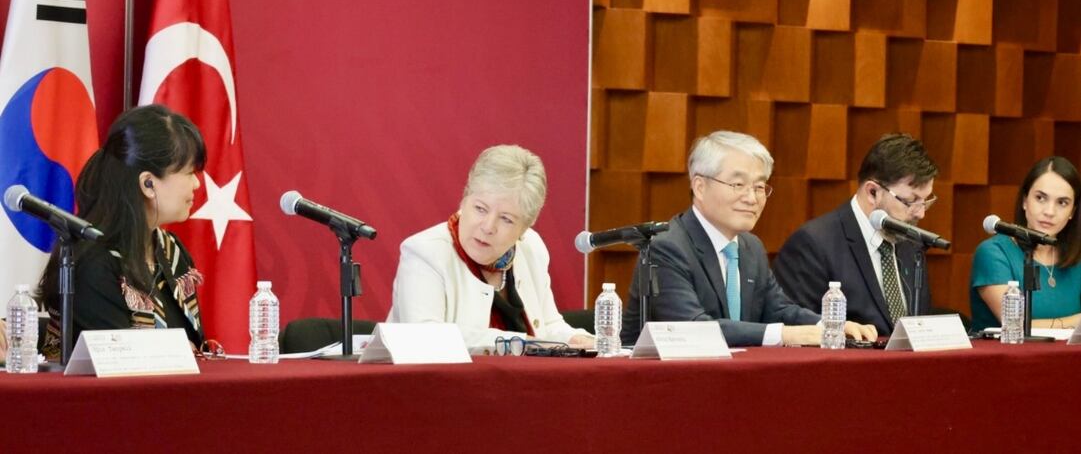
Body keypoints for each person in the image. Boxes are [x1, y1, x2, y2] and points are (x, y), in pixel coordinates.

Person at [621, 131, 878, 347]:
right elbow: (693, 328)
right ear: (700, 187)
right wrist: (784, 335)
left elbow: (778, 309)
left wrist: (830, 325)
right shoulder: (666, 247)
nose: (752, 198)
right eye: (738, 185)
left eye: (759, 187)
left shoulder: (750, 246)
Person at [38, 105, 207, 355]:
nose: (196, 183)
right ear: (148, 184)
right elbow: (122, 364)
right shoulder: (91, 262)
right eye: (189, 172)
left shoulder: (172, 251)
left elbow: (195, 347)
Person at [387, 145, 592, 350]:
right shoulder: (425, 252)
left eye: (506, 219)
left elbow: (549, 325)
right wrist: (519, 343)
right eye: (480, 209)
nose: (488, 226)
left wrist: (575, 339)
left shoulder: (531, 247)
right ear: (464, 199)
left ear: (524, 228)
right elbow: (426, 338)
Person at [773, 134, 938, 335]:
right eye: (911, 201)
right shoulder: (813, 243)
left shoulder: (910, 243)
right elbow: (798, 329)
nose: (920, 213)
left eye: (926, 201)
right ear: (872, 192)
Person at [970, 156, 1080, 331]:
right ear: (1024, 201)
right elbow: (1017, 324)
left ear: (1072, 212)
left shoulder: (1077, 258)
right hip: (1004, 357)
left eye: (1062, 202)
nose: (1049, 211)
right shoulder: (994, 253)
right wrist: (1074, 322)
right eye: (1040, 198)